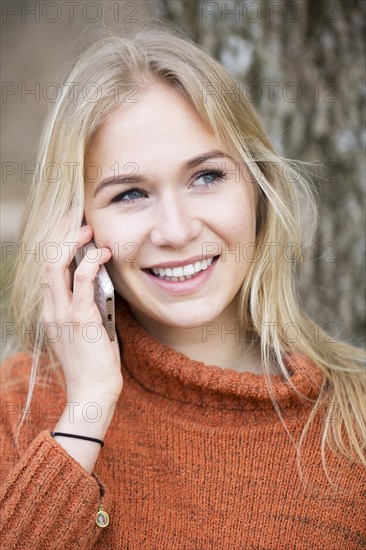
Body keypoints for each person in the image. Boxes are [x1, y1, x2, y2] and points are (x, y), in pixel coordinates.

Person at [0, 18, 365, 549]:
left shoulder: (351, 422)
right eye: (129, 194)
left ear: (258, 192)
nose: (176, 231)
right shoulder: (20, 405)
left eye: (207, 177)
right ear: (76, 228)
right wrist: (88, 407)